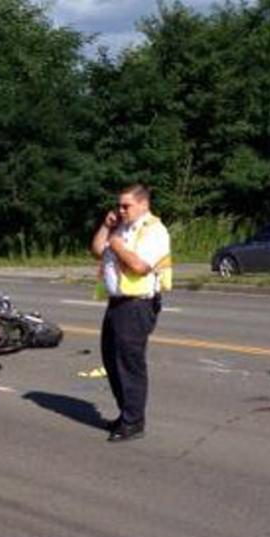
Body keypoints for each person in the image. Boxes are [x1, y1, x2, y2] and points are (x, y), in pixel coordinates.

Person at [90, 184, 172, 442]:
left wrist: (115, 243)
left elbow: (138, 266)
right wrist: (107, 226)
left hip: (138, 305)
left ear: (143, 204)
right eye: (119, 205)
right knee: (110, 360)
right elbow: (96, 249)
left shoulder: (155, 231)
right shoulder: (121, 228)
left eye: (126, 205)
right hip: (117, 303)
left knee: (129, 363)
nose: (121, 210)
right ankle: (126, 412)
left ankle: (133, 422)